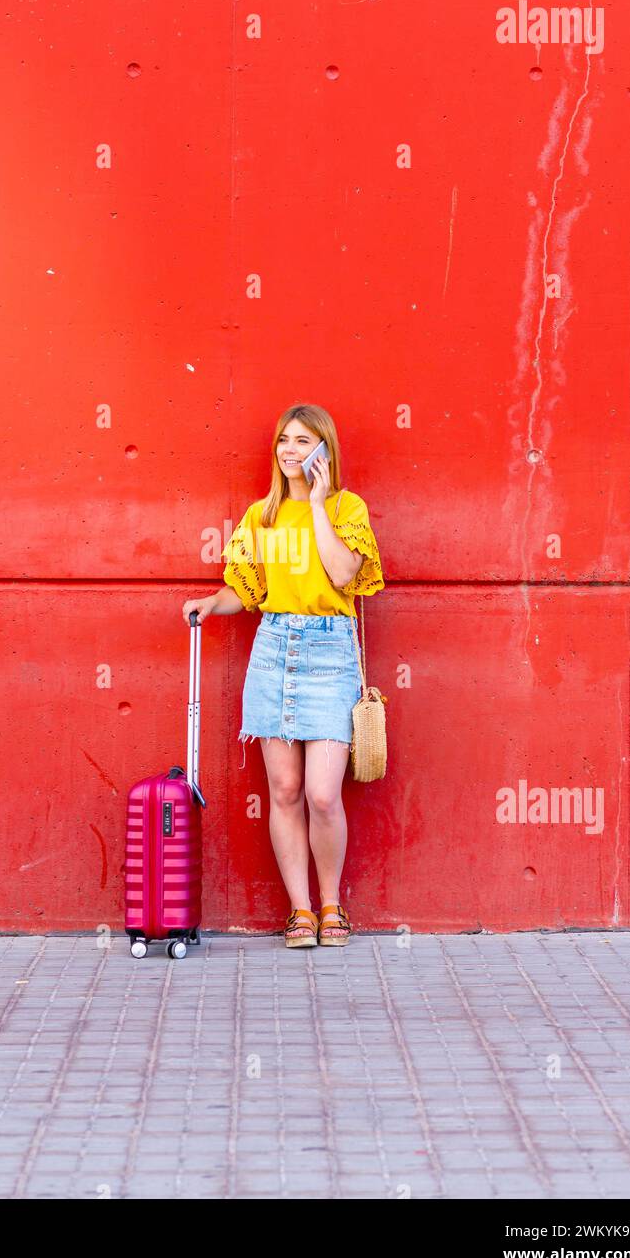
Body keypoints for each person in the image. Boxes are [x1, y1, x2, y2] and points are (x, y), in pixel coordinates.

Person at [182, 403, 385, 949]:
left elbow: (346, 576)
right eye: (284, 441)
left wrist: (317, 504)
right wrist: (210, 602)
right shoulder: (260, 517)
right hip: (273, 649)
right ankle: (300, 912)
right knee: (286, 788)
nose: (291, 451)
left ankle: (331, 904)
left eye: (303, 441)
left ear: (325, 450)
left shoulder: (346, 508)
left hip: (329, 653)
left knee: (323, 793)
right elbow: (245, 591)